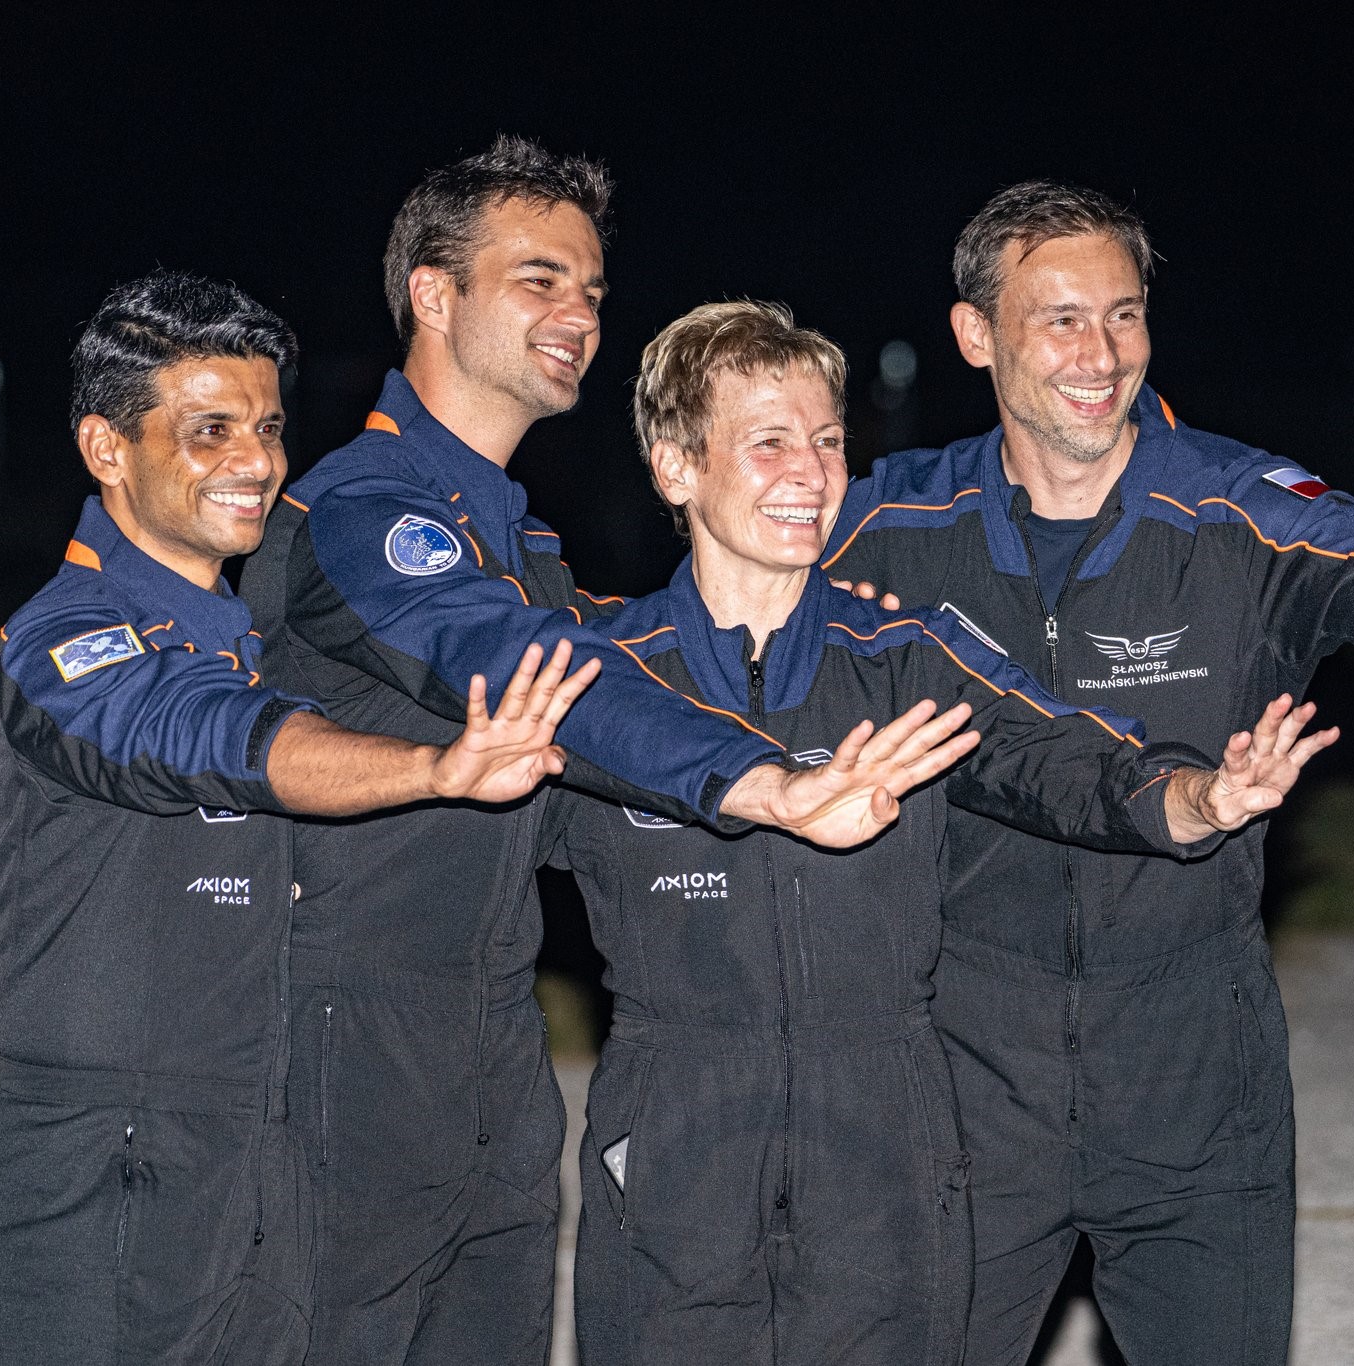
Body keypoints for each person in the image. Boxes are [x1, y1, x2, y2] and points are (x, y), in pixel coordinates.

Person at [819, 181, 1354, 1365]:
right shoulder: (887, 525)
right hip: (964, 1060)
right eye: (1060, 320)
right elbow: (715, 604)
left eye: (1123, 315)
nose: (1100, 354)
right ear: (975, 335)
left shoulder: (1236, 510)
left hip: (1192, 1060)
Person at [239, 138, 971, 1364]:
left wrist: (814, 620)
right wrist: (763, 781)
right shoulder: (364, 512)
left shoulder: (520, 543)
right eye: (537, 280)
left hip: (491, 1038)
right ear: (432, 294)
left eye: (588, 288)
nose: (577, 314)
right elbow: (543, 675)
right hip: (345, 1036)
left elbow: (618, 668)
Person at [542, 301, 1337, 1365]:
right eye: (768, 442)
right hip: (674, 1136)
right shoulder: (598, 678)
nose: (809, 472)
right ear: (676, 467)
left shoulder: (905, 659)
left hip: (884, 1146)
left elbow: (1060, 757)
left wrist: (1197, 799)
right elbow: (459, 855)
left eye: (828, 440)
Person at [0, 270, 607, 1366]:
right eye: (208, 430)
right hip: (104, 1167)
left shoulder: (251, 643)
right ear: (106, 448)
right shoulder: (65, 642)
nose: (255, 461)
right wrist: (434, 768)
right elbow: (211, 735)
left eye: (265, 427)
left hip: (271, 1158)